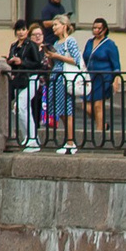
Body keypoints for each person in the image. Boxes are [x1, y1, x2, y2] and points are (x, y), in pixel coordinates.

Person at [46, 16, 84, 154]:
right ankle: (68, 140)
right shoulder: (56, 43)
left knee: (67, 109)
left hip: (65, 78)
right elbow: (54, 63)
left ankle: (70, 142)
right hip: (56, 77)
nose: (53, 27)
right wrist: (50, 57)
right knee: (59, 109)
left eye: (56, 25)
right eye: (53, 25)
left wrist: (57, 57)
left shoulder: (70, 41)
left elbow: (76, 60)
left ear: (64, 25)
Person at [8, 18, 47, 149]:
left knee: (21, 106)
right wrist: (11, 63)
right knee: (20, 109)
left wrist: (22, 62)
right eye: (18, 30)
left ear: (27, 31)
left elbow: (37, 63)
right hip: (18, 80)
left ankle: (32, 137)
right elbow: (12, 61)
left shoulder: (31, 45)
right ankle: (28, 136)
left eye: (23, 29)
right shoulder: (14, 46)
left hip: (30, 78)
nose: (21, 32)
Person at [83, 17, 120, 145]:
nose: (96, 30)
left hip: (103, 78)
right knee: (87, 107)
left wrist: (115, 80)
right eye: (94, 28)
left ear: (104, 30)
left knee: (98, 105)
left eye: (99, 28)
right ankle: (102, 124)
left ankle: (99, 135)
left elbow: (116, 64)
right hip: (90, 78)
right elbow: (84, 58)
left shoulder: (109, 44)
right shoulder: (89, 42)